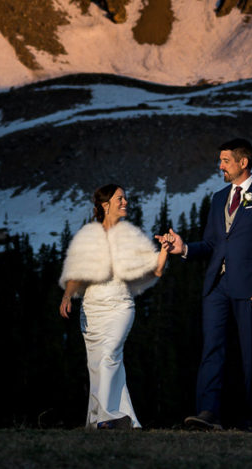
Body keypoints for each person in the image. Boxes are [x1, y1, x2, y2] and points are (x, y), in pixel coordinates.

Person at [158, 137, 252, 430]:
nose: (220, 166)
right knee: (212, 349)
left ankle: (248, 418)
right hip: (217, 287)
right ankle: (208, 413)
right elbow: (212, 244)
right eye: (220, 161)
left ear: (244, 162)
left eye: (225, 161)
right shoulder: (218, 199)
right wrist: (185, 249)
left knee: (249, 352)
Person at [60, 184, 167, 430]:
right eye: (120, 198)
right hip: (92, 308)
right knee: (99, 364)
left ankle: (106, 417)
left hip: (120, 306)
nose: (125, 202)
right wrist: (67, 296)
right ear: (105, 205)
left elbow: (156, 270)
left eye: (125, 198)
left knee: (108, 356)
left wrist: (164, 250)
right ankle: (121, 419)